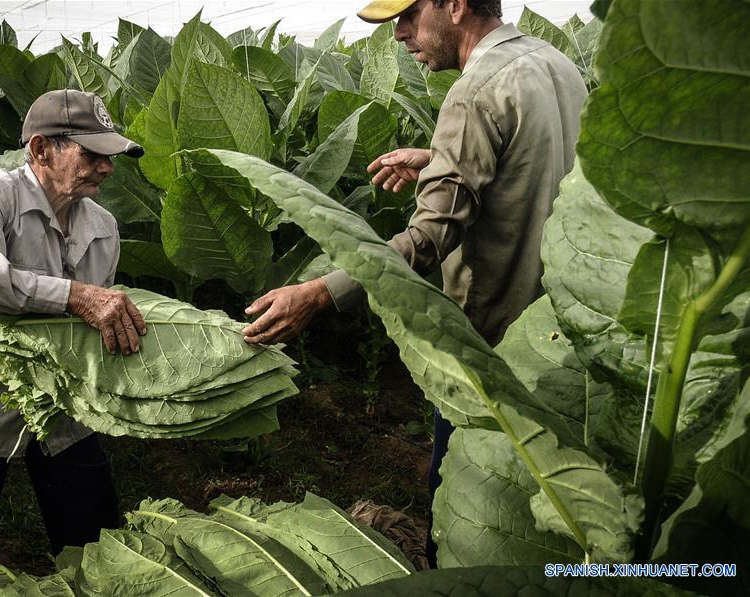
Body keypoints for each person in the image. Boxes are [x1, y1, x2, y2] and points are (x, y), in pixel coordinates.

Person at [241, 0, 588, 566]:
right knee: (552, 502)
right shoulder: (556, 66)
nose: (400, 34)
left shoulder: (474, 91)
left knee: (469, 508)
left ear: (454, 5)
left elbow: (429, 237)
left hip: (490, 346)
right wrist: (438, 160)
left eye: (408, 14)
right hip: (560, 335)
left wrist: (319, 292)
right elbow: (538, 164)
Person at [0, 89, 148, 596]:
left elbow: (94, 319)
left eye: (110, 156)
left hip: (62, 401)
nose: (106, 168)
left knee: (95, 536)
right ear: (41, 150)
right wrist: (74, 296)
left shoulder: (102, 225)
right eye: (92, 154)